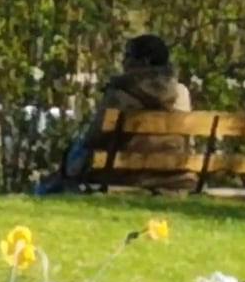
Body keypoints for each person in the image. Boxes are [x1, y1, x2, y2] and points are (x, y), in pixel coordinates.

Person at [41, 35, 194, 191]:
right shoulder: (180, 92)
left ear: (144, 61)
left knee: (70, 164)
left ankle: (42, 193)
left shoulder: (120, 94)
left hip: (123, 172)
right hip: (172, 170)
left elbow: (95, 138)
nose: (123, 62)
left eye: (127, 56)